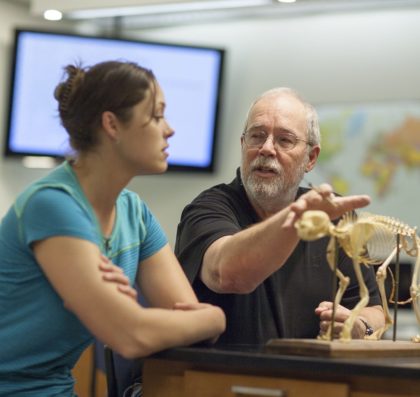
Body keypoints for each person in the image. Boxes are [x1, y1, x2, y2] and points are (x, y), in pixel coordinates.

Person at [0, 60, 225, 396]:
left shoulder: (135, 215)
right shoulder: (52, 204)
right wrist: (216, 317)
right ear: (112, 124)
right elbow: (132, 336)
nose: (169, 129)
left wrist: (192, 321)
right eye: (157, 115)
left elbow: (185, 320)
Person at [175, 87, 385, 346]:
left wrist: (357, 326)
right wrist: (297, 219)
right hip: (219, 379)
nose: (266, 149)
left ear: (311, 158)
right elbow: (227, 274)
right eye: (257, 136)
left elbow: (375, 311)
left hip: (308, 379)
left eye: (284, 140)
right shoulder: (208, 208)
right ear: (243, 145)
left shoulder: (331, 217)